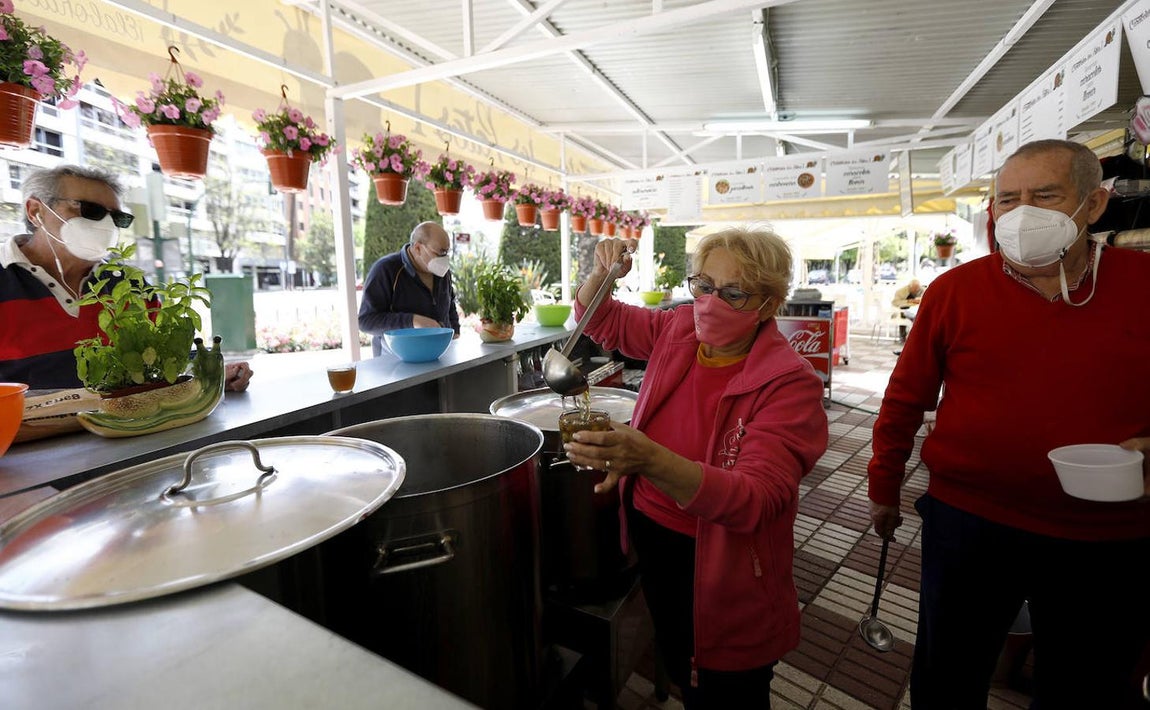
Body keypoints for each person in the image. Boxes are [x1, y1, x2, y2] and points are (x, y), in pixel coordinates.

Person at [868, 139, 1150, 709]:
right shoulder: (956, 291)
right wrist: (884, 485)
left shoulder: (1143, 282)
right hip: (969, 521)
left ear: (1094, 204)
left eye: (1045, 196)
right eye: (1007, 199)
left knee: (1088, 684)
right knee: (948, 673)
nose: (1021, 213)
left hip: (1106, 536)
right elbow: (905, 398)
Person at [562, 227, 829, 708]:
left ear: (767, 306)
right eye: (703, 285)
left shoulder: (789, 384)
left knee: (728, 687)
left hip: (725, 566)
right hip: (653, 540)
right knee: (683, 657)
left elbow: (757, 498)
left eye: (733, 293)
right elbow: (599, 319)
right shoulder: (678, 328)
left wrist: (649, 458)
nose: (710, 302)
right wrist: (601, 274)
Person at [0, 165, 253, 392]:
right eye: (90, 210)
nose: (106, 225)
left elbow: (161, 359)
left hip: (132, 431)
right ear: (36, 211)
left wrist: (208, 373)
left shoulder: (130, 285)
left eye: (117, 218)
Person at [358, 221, 461, 356]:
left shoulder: (442, 272)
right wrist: (413, 321)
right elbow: (366, 321)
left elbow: (450, 303)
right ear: (418, 248)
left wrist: (455, 331)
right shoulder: (386, 269)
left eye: (447, 252)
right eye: (440, 253)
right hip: (396, 361)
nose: (445, 259)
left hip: (439, 357)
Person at [890, 278, 923, 342]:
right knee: (914, 317)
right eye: (914, 288)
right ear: (910, 287)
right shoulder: (901, 291)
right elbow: (895, 303)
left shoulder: (922, 290)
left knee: (919, 317)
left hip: (916, 310)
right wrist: (908, 301)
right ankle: (906, 336)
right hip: (902, 311)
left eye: (917, 288)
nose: (916, 290)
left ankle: (915, 336)